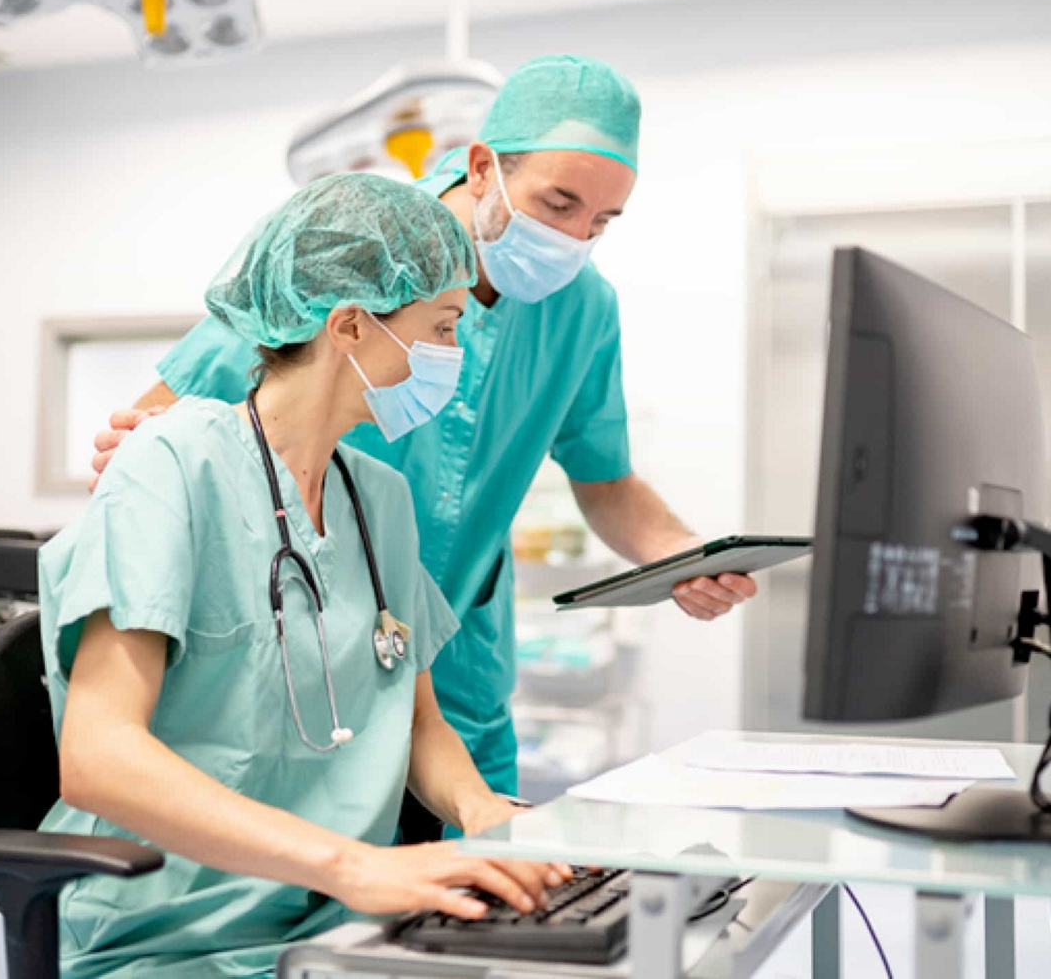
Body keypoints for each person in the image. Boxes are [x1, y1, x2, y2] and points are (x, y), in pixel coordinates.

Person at [91, 55, 758, 833]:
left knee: (463, 887)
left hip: (450, 670)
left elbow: (603, 476)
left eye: (603, 222)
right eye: (560, 203)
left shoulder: (581, 309)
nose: (576, 237)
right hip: (297, 656)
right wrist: (146, 458)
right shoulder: (356, 244)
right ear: (482, 167)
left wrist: (682, 553)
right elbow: (163, 423)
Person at [39, 173, 569, 979]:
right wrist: (356, 866)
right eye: (443, 327)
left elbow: (420, 720)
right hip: (170, 937)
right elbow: (99, 756)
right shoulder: (169, 464)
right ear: (351, 324)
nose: (453, 358)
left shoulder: (378, 500)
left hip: (340, 931)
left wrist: (483, 811)